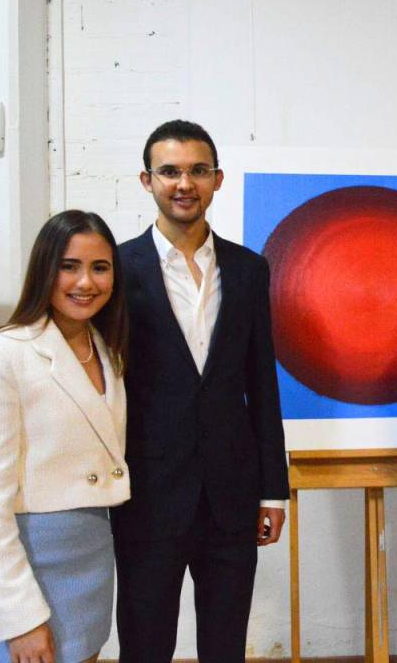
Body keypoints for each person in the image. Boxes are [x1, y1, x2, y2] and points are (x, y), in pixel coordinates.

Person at [112, 120, 289, 662]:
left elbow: (262, 382)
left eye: (197, 170)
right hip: (147, 497)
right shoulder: (116, 269)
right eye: (169, 171)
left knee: (225, 647)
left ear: (217, 179)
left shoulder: (249, 269)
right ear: (147, 181)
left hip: (230, 500)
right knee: (145, 647)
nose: (183, 182)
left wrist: (273, 490)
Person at [0, 210, 129, 663]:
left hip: (90, 555)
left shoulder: (106, 350)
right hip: (28, 562)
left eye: (100, 267)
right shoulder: (1, 358)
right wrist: (20, 619)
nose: (85, 282)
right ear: (44, 269)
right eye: (68, 266)